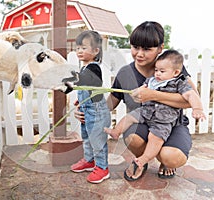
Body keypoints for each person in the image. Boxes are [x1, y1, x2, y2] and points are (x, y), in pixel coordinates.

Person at [74, 21, 197, 181]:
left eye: (147, 49)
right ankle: (142, 160)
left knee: (170, 156)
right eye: (135, 47)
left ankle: (164, 160)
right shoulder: (125, 73)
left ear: (160, 48)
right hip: (144, 124)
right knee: (132, 135)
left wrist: (153, 95)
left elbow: (191, 99)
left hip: (172, 124)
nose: (139, 53)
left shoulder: (170, 69)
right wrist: (87, 108)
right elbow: (110, 103)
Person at [104, 49, 206, 180]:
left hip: (163, 119)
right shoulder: (151, 80)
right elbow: (139, 90)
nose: (157, 73)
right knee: (129, 117)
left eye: (161, 71)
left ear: (175, 72)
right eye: (156, 70)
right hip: (146, 112)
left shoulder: (179, 82)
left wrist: (197, 108)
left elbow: (191, 95)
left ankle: (143, 160)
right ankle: (116, 131)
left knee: (155, 138)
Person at [70, 30, 111, 184]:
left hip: (97, 112)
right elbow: (84, 90)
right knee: (86, 137)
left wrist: (73, 78)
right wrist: (79, 102)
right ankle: (89, 160)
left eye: (84, 48)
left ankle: (102, 167)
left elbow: (90, 82)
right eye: (78, 48)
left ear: (95, 51)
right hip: (86, 110)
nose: (80, 51)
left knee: (97, 140)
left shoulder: (94, 68)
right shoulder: (83, 68)